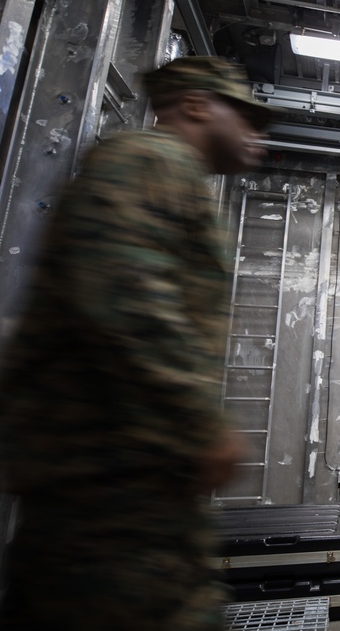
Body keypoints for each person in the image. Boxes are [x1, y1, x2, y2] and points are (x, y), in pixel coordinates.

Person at [0, 57, 271, 630]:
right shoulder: (148, 160)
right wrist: (200, 424)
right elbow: (125, 301)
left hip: (127, 479)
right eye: (244, 117)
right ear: (196, 105)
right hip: (108, 485)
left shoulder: (166, 172)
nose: (256, 134)